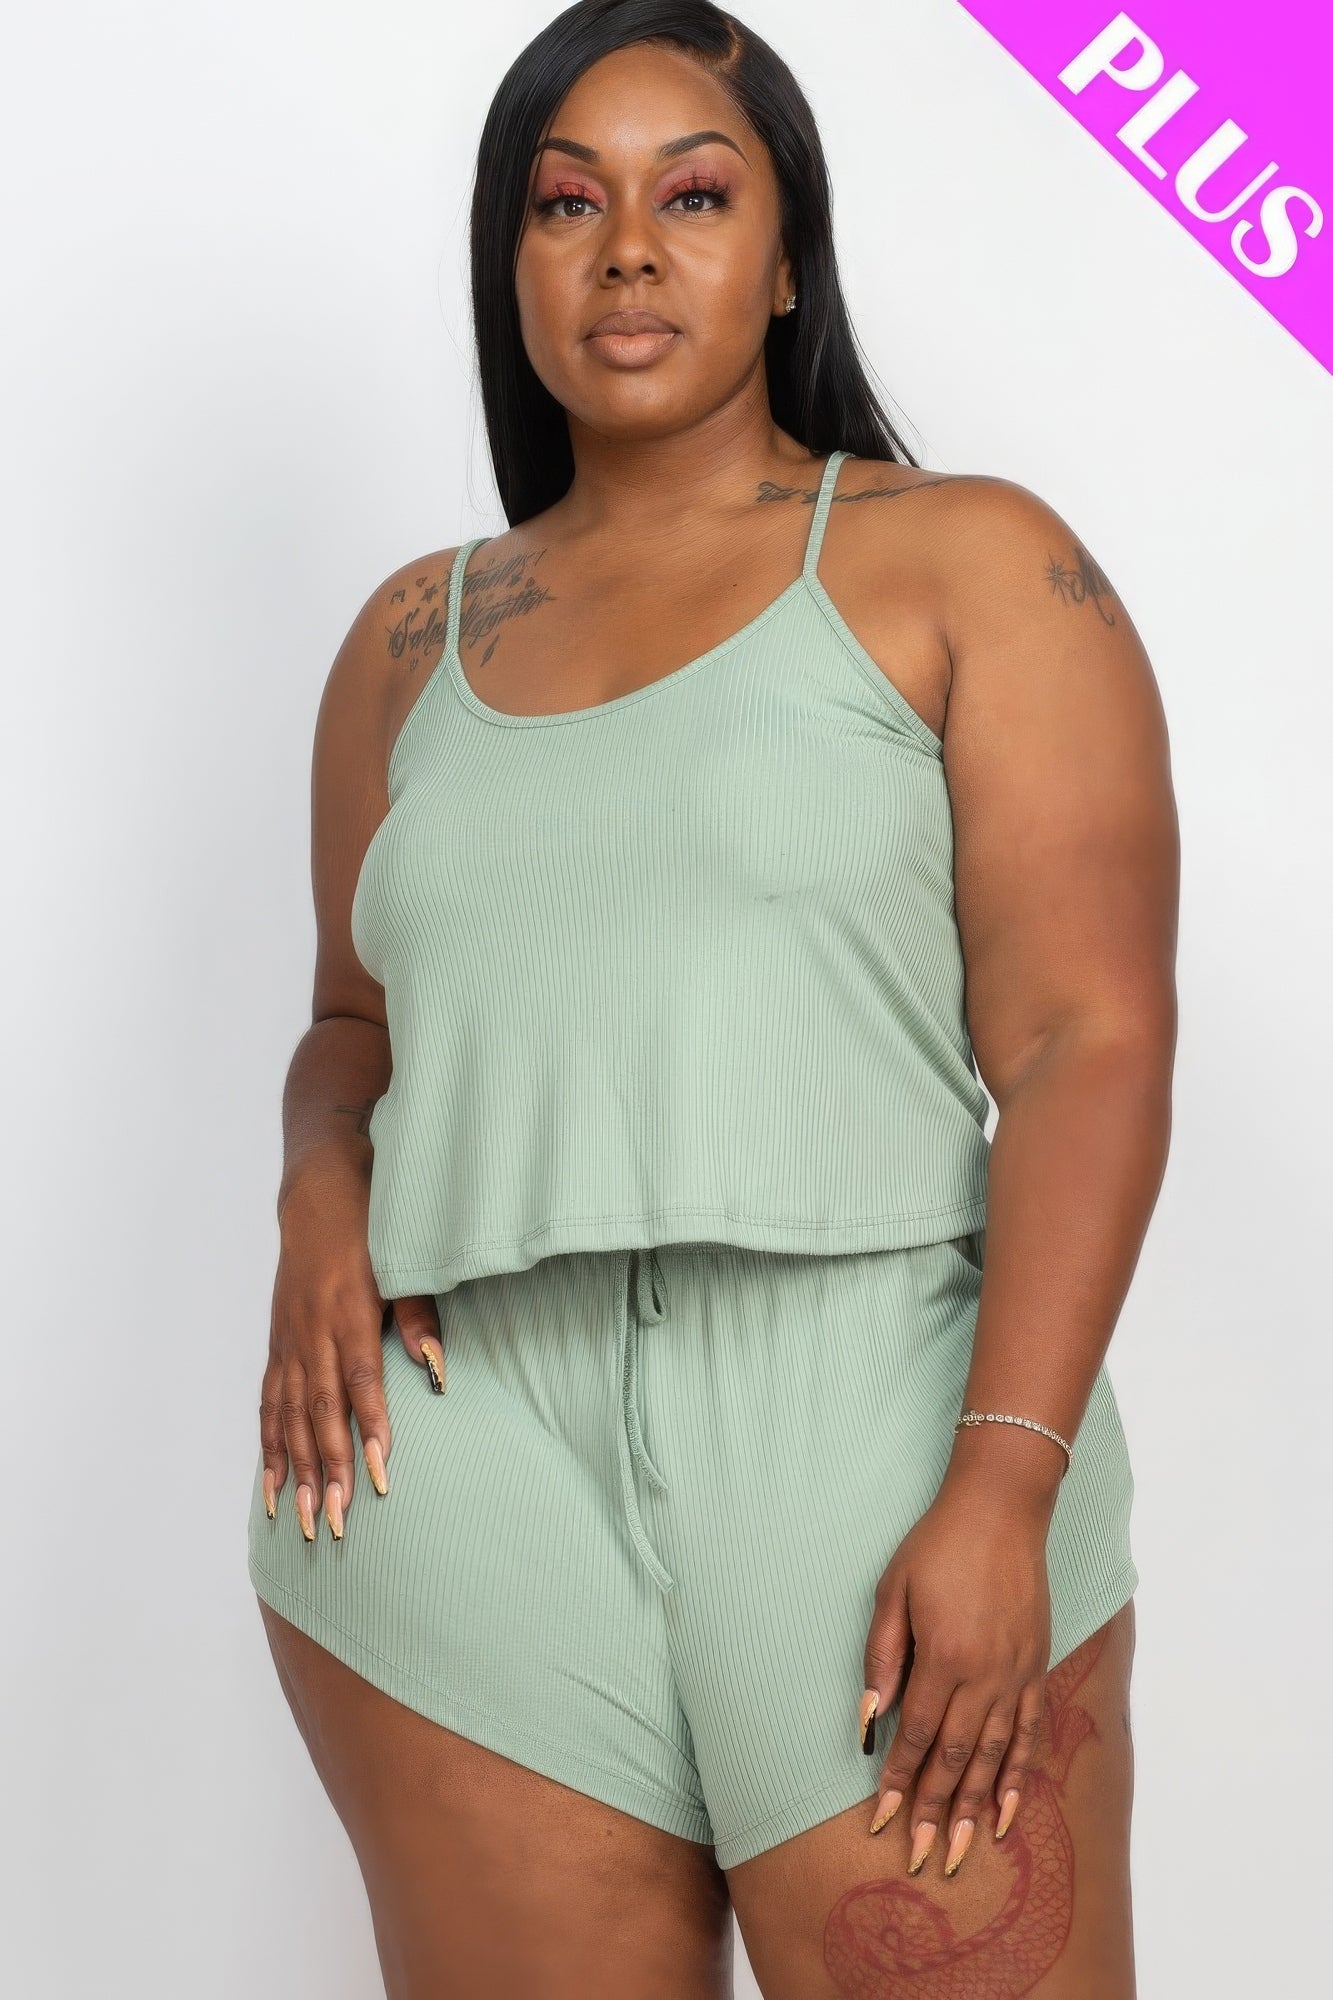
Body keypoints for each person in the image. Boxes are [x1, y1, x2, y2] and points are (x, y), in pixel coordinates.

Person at [245, 2, 1178, 1994]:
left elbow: (1084, 1038)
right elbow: (353, 1028)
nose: (625, 252)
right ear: (510, 261)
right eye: (563, 202)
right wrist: (320, 1190)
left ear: (782, 260)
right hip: (452, 1452)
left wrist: (1004, 1478)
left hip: (878, 1423)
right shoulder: (410, 639)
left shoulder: (970, 564)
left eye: (691, 196)